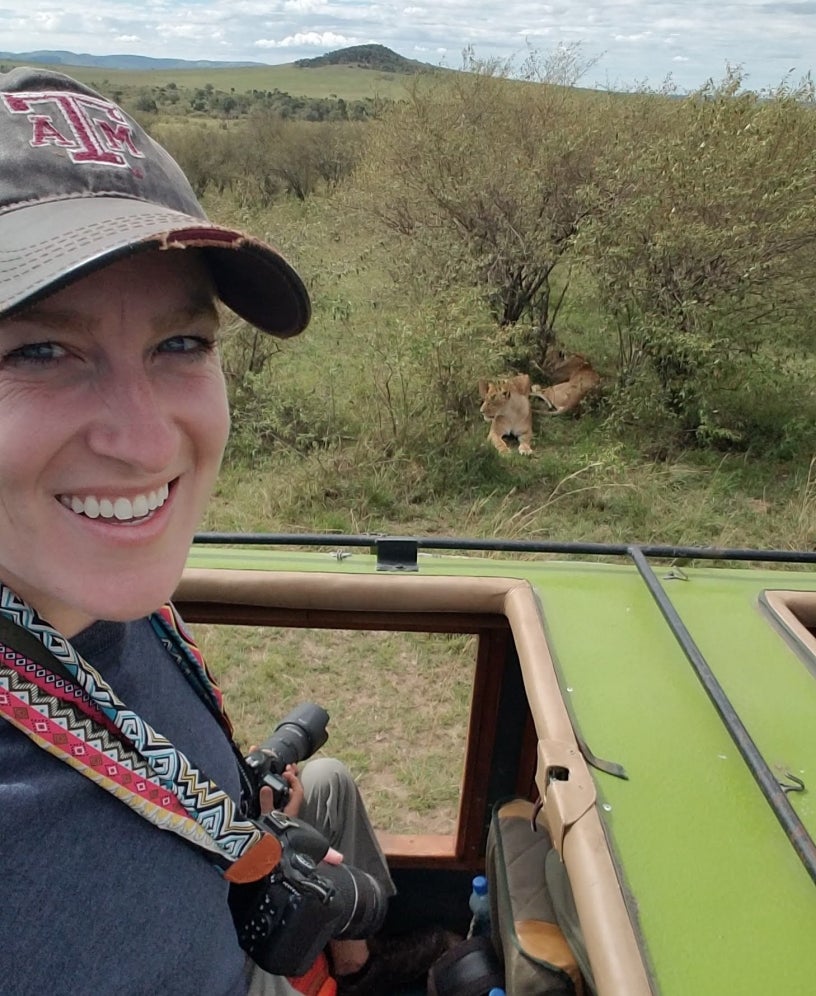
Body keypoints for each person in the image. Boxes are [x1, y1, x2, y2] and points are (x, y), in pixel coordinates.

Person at [0, 66, 452, 996]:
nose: (145, 439)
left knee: (329, 787)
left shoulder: (86, 592)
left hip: (228, 878)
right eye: (38, 350)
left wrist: (241, 807)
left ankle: (359, 967)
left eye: (181, 344)